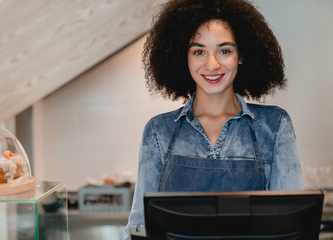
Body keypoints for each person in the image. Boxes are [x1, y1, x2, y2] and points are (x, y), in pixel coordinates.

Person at [125, 0, 303, 238]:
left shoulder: (275, 126)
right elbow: (139, 227)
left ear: (241, 55)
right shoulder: (158, 131)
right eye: (199, 51)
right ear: (184, 57)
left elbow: (290, 227)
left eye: (225, 50)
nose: (212, 64)